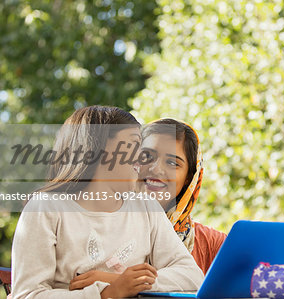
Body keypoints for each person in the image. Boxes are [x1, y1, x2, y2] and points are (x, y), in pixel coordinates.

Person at [11, 106, 203, 299]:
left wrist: (124, 282)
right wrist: (107, 293)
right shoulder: (45, 208)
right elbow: (27, 295)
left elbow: (192, 276)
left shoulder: (145, 207)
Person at [139, 119, 227, 274]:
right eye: (147, 156)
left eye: (173, 163)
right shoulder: (98, 224)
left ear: (189, 178)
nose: (156, 169)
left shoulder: (214, 246)